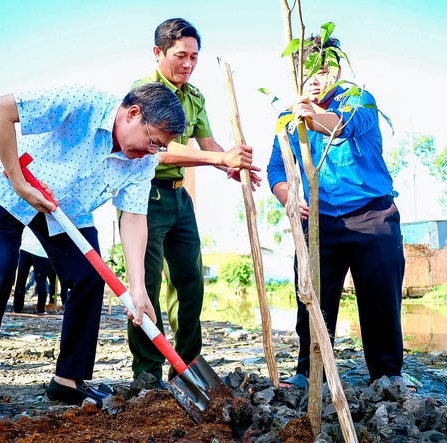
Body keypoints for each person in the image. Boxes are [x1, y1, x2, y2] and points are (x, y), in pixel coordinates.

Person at [0, 82, 186, 423]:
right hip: (9, 189)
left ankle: (67, 380)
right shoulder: (84, 103)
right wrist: (19, 182)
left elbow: (134, 220)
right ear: (133, 113)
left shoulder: (142, 163)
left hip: (65, 211)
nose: (153, 152)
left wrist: (138, 289)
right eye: (153, 141)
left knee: (89, 277)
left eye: (160, 148)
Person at [127, 18, 262, 385]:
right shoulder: (144, 92)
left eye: (194, 57)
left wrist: (235, 166)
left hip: (178, 198)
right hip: (144, 197)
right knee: (147, 286)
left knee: (190, 284)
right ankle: (147, 370)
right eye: (180, 56)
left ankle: (185, 368)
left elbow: (208, 145)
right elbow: (159, 150)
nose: (187, 64)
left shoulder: (195, 96)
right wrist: (220, 160)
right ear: (158, 53)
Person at [266, 35, 405, 385]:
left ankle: (387, 375)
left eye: (323, 70)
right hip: (319, 221)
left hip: (373, 217)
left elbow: (340, 125)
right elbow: (276, 170)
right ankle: (309, 373)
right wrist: (287, 196)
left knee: (380, 299)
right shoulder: (286, 118)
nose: (314, 79)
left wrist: (310, 117)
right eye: (306, 72)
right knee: (312, 300)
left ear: (337, 71)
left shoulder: (358, 101)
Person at [12, 228, 52, 314]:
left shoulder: (29, 216)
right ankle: (40, 308)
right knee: (41, 280)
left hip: (26, 247)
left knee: (21, 279)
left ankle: (17, 307)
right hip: (41, 251)